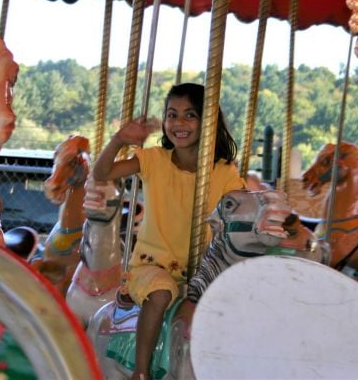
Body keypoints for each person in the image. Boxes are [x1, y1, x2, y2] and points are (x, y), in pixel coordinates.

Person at [90, 82, 245, 380]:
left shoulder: (225, 173)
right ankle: (141, 373)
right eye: (172, 115)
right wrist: (119, 139)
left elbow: (239, 212)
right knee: (160, 292)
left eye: (190, 115)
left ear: (208, 121)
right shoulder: (153, 160)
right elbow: (101, 173)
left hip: (204, 272)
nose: (179, 123)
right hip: (151, 267)